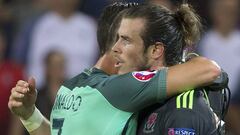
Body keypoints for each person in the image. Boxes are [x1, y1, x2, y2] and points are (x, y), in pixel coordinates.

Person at [8, 3, 222, 135]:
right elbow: (210, 70)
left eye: (126, 39)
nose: (118, 47)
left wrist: (30, 115)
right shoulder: (122, 89)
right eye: (120, 38)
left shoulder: (70, 86)